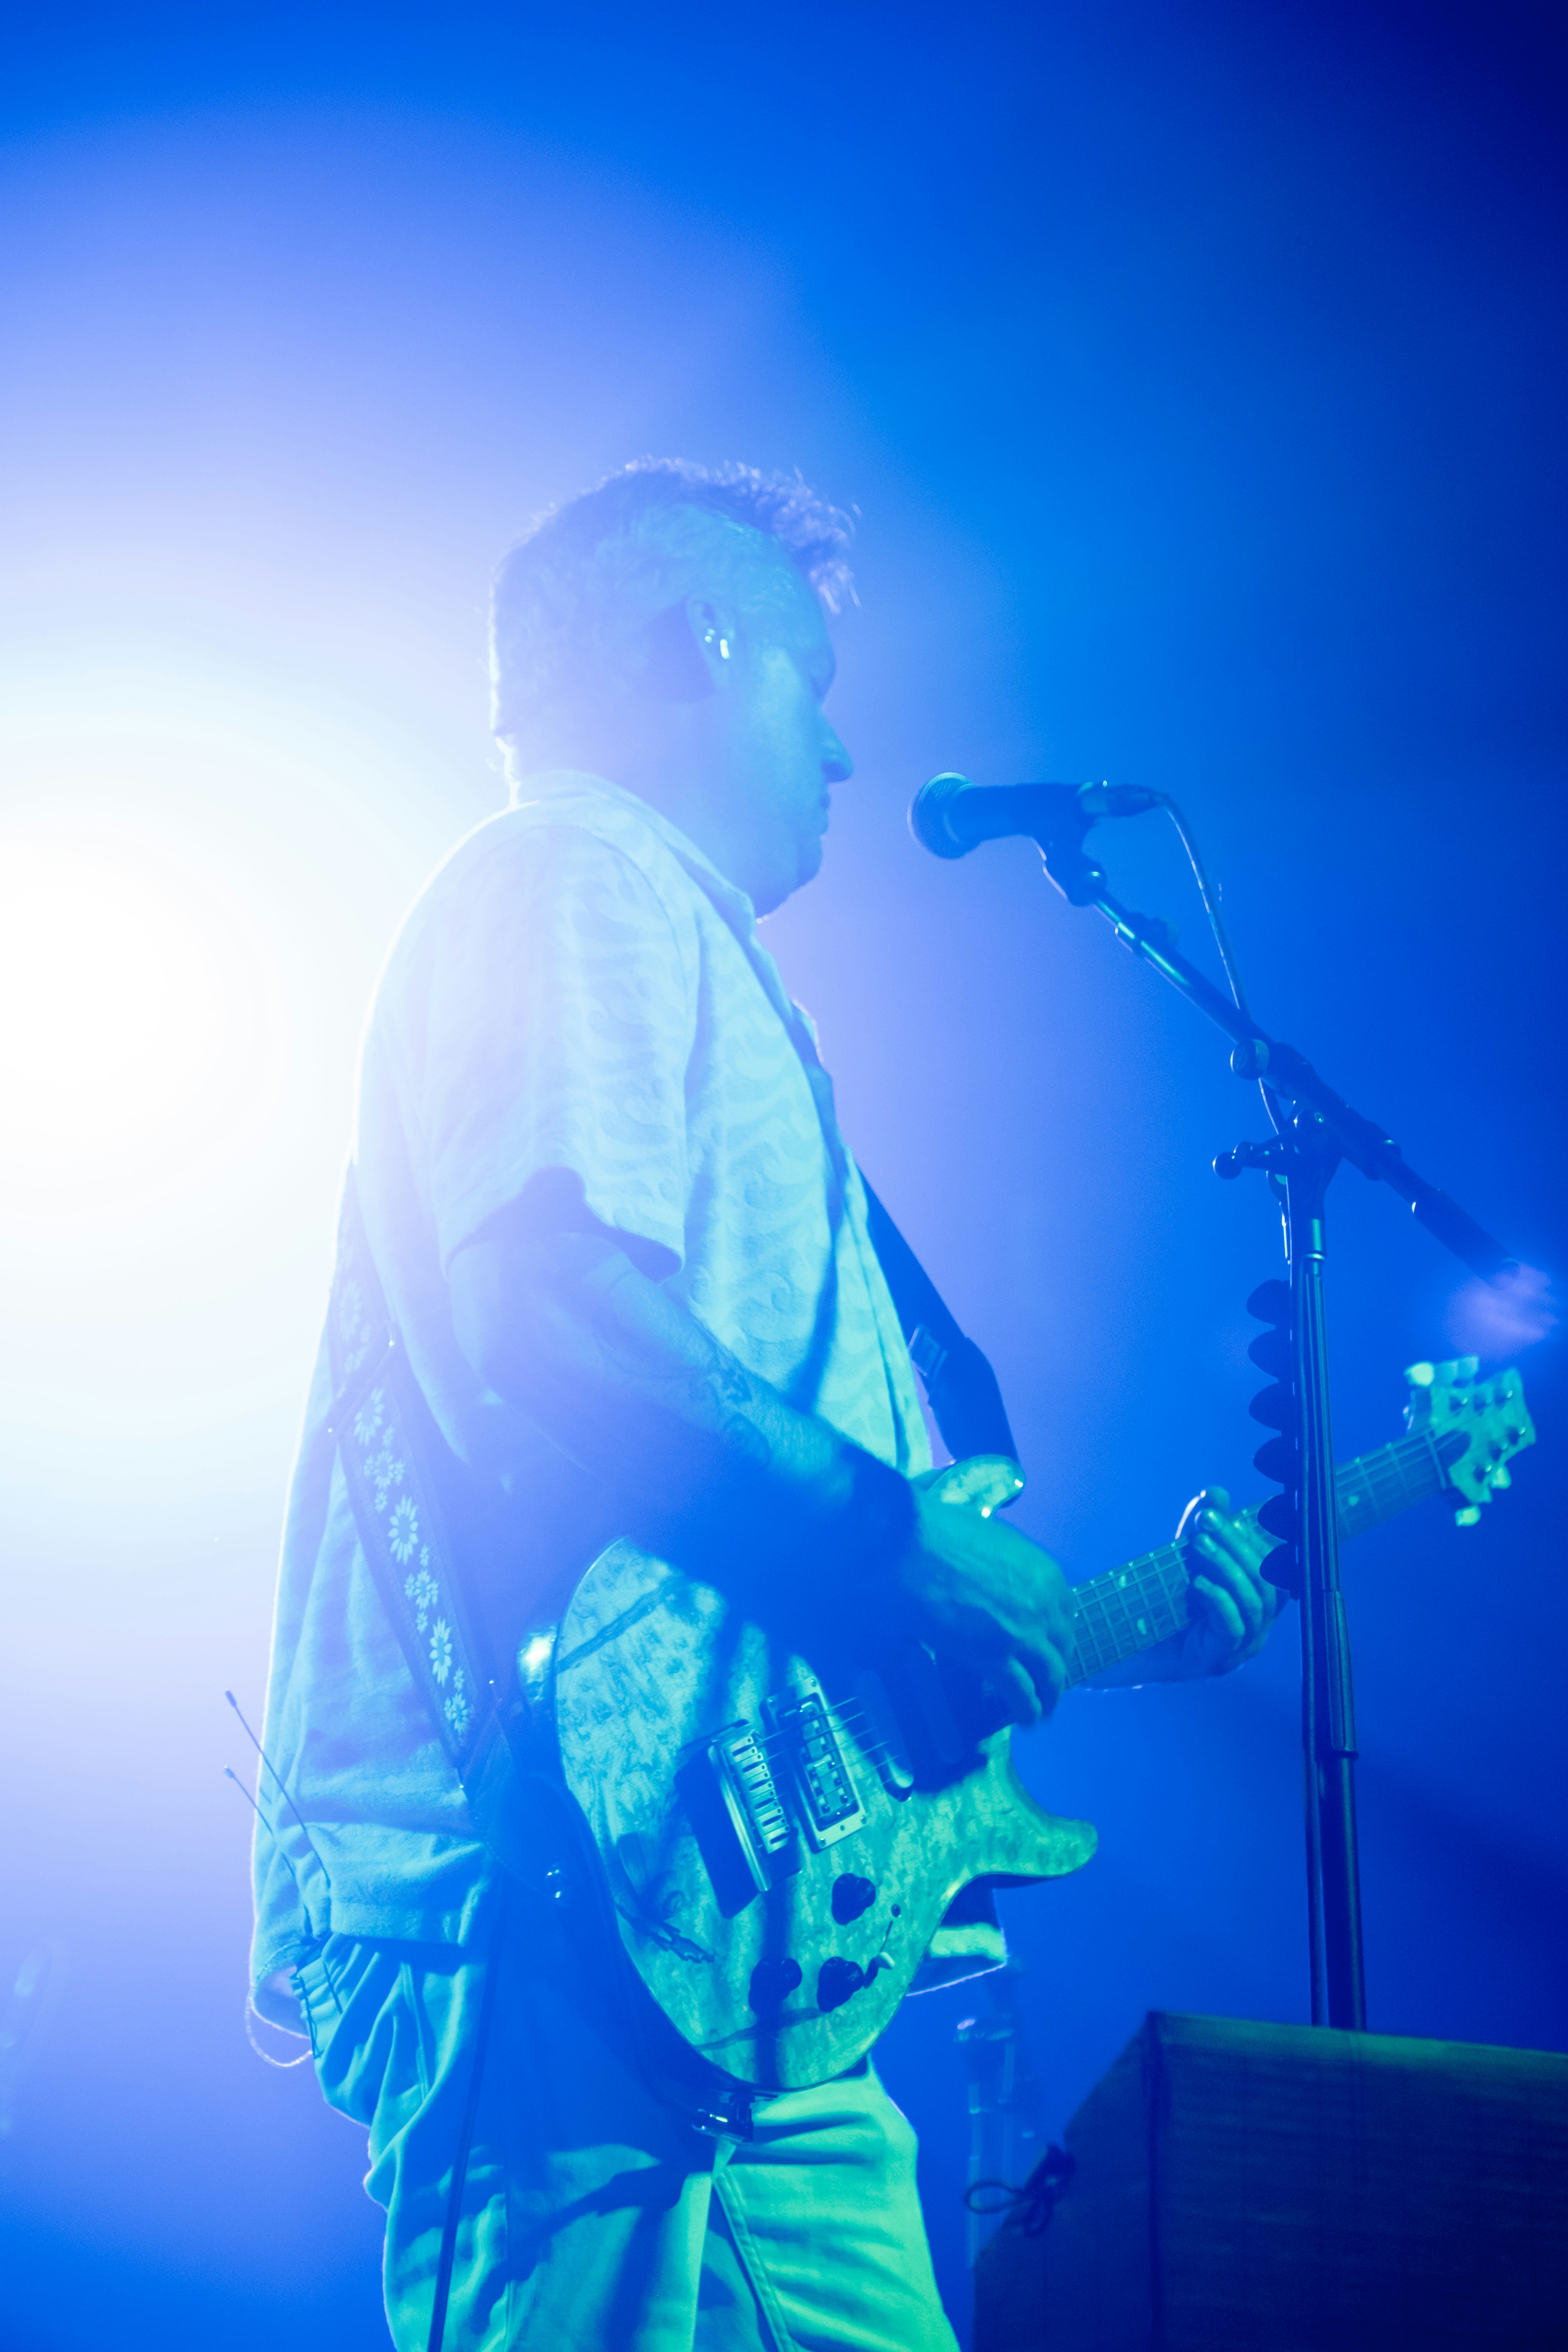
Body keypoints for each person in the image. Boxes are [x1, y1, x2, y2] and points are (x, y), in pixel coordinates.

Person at [250, 459, 1280, 2352]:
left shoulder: (661, 940)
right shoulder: (570, 872)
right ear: (692, 648)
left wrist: (1061, 1629)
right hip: (553, 1890)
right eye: (807, 677)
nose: (843, 746)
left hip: (734, 1947)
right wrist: (902, 1547)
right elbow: (552, 1315)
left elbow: (765, 1558)